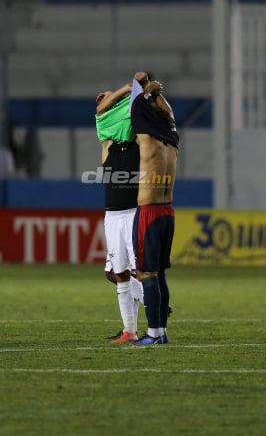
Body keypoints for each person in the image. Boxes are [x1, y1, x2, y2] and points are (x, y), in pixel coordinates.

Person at [128, 71, 180, 346]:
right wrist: (158, 94)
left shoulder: (146, 138)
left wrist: (143, 84)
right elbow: (169, 115)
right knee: (159, 273)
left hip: (148, 212)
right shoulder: (172, 140)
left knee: (146, 273)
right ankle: (162, 332)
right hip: (167, 212)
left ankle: (153, 333)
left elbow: (135, 102)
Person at [95, 83, 144, 345]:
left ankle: (154, 308)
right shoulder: (106, 143)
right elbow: (101, 110)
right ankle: (130, 329)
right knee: (117, 272)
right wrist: (122, 91)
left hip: (134, 213)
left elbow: (137, 115)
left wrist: (131, 92)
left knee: (138, 271)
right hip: (113, 216)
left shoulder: (137, 142)